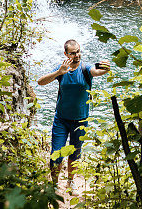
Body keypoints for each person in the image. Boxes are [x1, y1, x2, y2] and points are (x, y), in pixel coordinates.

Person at [37, 39, 110, 193]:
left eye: (78, 51)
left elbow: (96, 71)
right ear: (66, 54)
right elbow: (40, 82)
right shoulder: (61, 69)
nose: (77, 55)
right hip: (61, 120)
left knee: (75, 154)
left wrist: (105, 67)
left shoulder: (86, 68)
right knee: (56, 154)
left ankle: (71, 181)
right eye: (73, 53)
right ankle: (55, 185)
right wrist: (59, 72)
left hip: (81, 120)